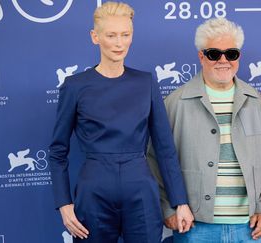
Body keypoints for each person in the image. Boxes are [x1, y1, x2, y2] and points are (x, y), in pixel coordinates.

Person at [48, 2, 193, 242]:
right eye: (111, 35)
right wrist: (64, 203)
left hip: (141, 193)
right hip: (93, 193)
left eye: (125, 35)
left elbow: (165, 149)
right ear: (95, 37)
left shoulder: (145, 83)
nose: (119, 43)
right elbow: (57, 151)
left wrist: (180, 201)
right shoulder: (75, 86)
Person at [148, 18, 261, 242]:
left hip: (248, 227)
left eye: (231, 54)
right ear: (201, 56)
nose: (223, 60)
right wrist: (168, 209)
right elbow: (154, 160)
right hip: (194, 226)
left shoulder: (256, 102)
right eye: (213, 54)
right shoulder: (175, 103)